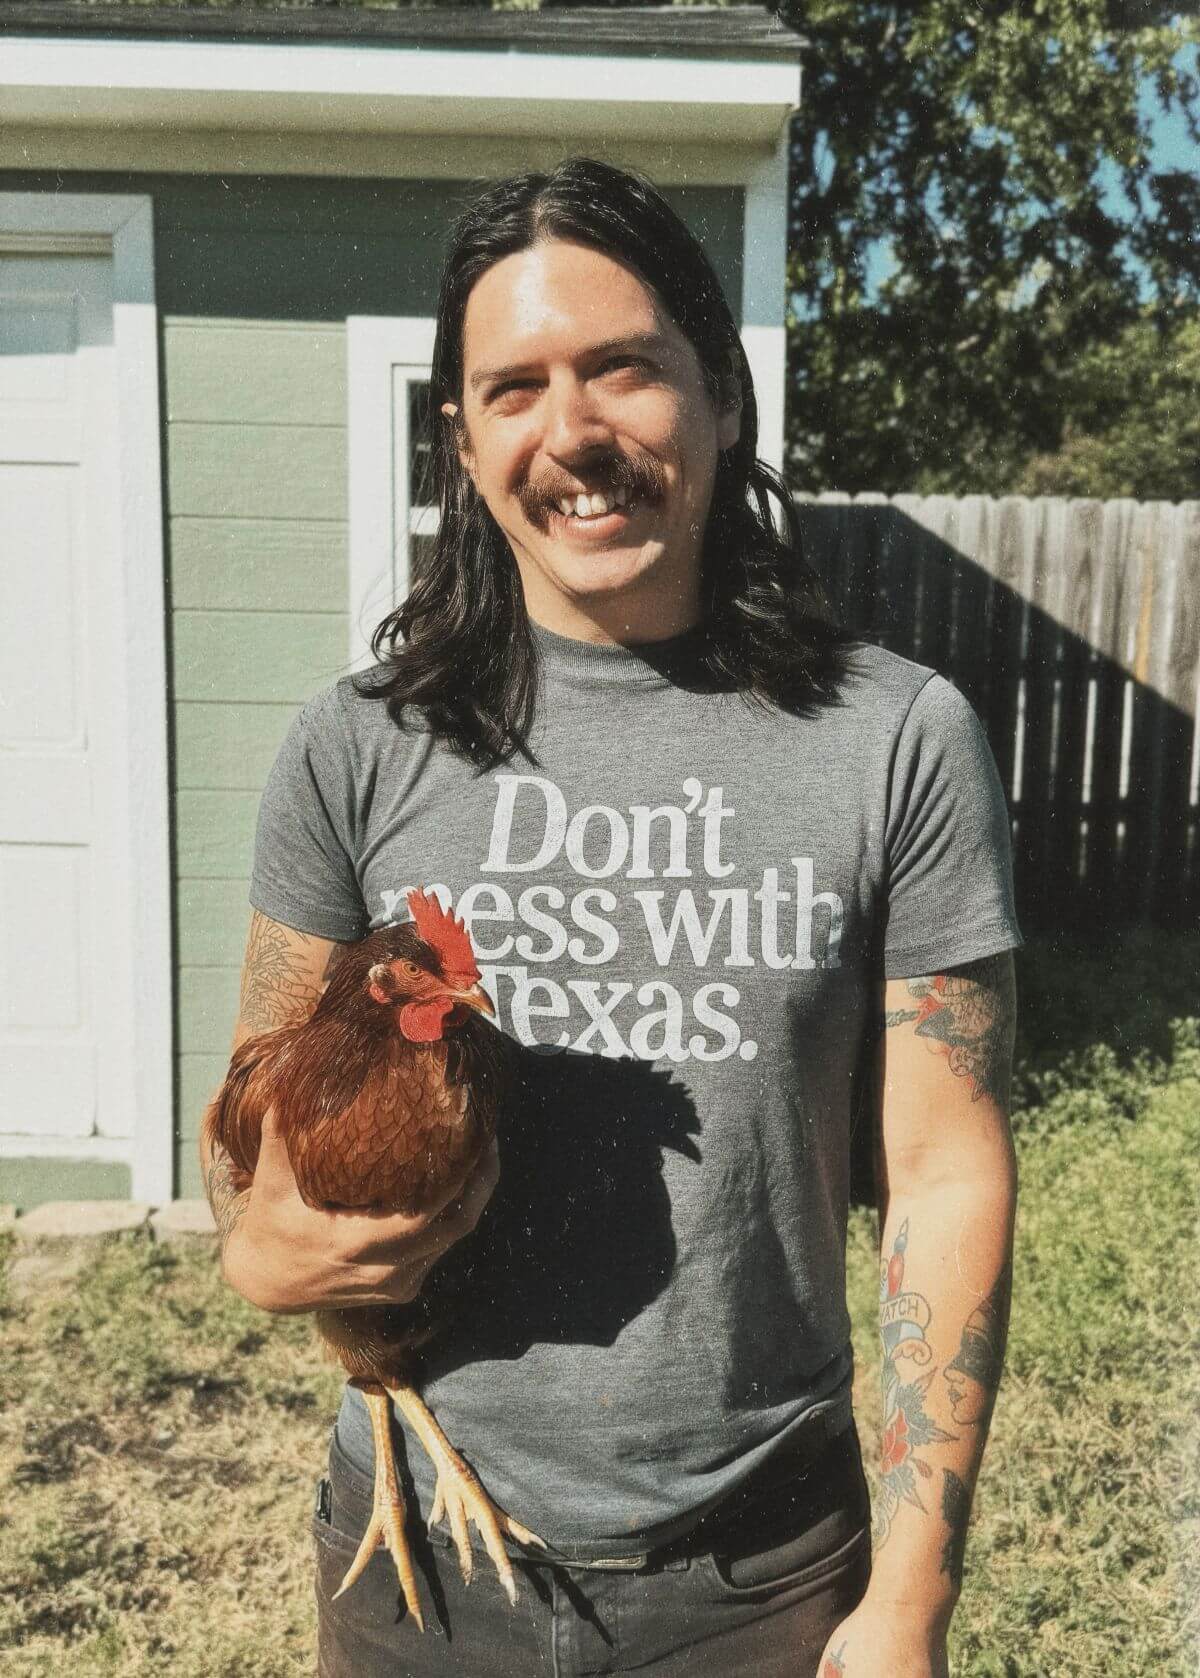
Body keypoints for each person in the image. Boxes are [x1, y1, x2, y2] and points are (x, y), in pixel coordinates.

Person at [201, 158, 1020, 1678]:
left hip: (761, 1572)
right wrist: (257, 1251)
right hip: (416, 1555)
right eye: (513, 388)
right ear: (463, 439)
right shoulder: (355, 745)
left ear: (719, 393)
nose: (570, 429)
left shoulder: (893, 738)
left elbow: (945, 1171)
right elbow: (248, 1124)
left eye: (621, 367)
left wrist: (908, 1596)